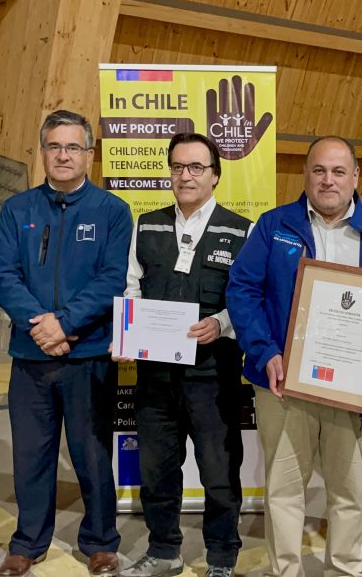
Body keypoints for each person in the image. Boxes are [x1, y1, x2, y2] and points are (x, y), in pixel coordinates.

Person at [226, 136, 362, 577]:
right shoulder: (273, 225)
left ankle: (345, 569)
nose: (328, 180)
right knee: (283, 490)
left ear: (356, 177)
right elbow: (242, 290)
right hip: (283, 383)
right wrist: (265, 352)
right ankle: (286, 571)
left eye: (339, 171)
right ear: (306, 175)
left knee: (350, 491)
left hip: (354, 388)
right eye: (319, 170)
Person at [0, 110, 132, 577]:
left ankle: (100, 541)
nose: (63, 155)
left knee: (92, 453)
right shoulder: (17, 209)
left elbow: (112, 277)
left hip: (87, 354)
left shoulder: (112, 211)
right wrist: (40, 326)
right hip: (31, 356)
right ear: (43, 152)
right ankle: (27, 543)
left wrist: (66, 324)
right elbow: (3, 274)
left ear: (89, 154)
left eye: (73, 147)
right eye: (55, 146)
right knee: (31, 453)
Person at [117, 133, 252, 577]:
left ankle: (220, 559)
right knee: (157, 470)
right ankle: (163, 552)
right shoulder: (147, 225)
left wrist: (222, 323)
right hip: (155, 375)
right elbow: (130, 287)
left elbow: (251, 296)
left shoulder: (242, 230)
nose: (185, 175)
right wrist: (126, 334)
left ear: (215, 175)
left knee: (218, 472)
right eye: (178, 167)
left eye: (196, 167)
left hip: (213, 377)